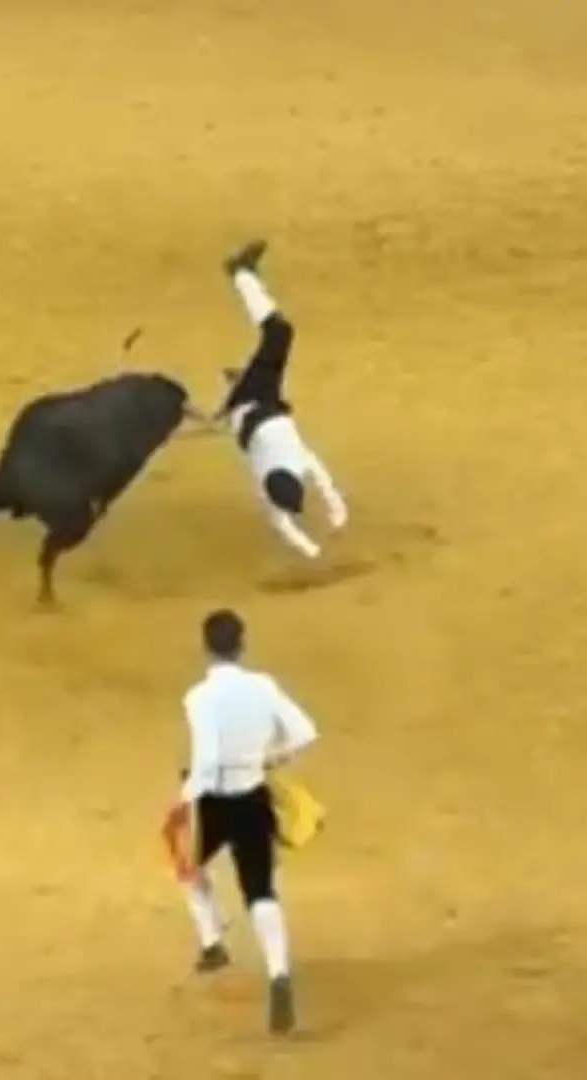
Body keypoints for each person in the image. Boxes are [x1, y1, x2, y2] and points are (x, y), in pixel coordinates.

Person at [170, 608, 320, 1034]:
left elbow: (208, 758)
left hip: (214, 800)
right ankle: (278, 973)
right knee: (261, 891)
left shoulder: (198, 697)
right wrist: (271, 757)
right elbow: (306, 732)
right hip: (254, 797)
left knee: (186, 864)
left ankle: (212, 941)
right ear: (242, 645)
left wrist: (184, 799)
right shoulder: (263, 686)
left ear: (206, 647)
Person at [210, 239, 349, 559]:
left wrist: (333, 516)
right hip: (257, 408)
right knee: (280, 334)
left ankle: (243, 275)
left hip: (252, 401)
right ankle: (242, 274)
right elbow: (316, 482)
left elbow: (317, 480)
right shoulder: (277, 480)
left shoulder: (283, 474)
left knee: (280, 333)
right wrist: (332, 519)